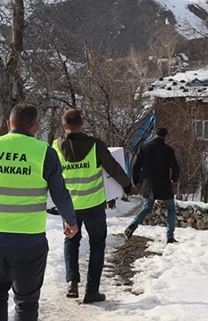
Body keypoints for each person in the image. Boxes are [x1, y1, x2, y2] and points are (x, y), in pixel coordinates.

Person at [0, 104, 78, 321]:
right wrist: (70, 220)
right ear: (36, 127)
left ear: (9, 124)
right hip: (29, 240)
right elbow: (60, 193)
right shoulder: (44, 152)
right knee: (26, 301)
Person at [53, 109, 133, 304]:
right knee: (97, 245)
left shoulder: (55, 146)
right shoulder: (95, 145)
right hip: (94, 206)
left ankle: (72, 282)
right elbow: (112, 167)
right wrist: (127, 185)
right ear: (82, 124)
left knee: (71, 241)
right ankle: (92, 291)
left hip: (69, 207)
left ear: (65, 126)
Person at [123, 127, 180, 243]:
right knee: (170, 209)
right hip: (164, 183)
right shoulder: (168, 149)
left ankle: (132, 226)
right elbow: (175, 167)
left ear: (155, 135)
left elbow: (135, 165)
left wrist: (135, 181)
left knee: (147, 207)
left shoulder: (144, 147)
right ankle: (170, 236)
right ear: (166, 136)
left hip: (149, 183)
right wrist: (174, 178)